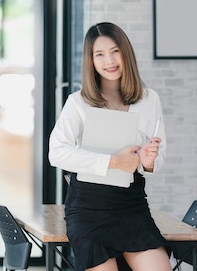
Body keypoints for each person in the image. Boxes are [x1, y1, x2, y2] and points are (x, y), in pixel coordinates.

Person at [48, 22, 170, 271]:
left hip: (131, 205)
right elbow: (56, 152)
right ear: (90, 61)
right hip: (88, 208)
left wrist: (148, 162)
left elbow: (156, 158)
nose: (109, 60)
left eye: (115, 51)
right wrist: (113, 162)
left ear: (126, 53)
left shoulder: (150, 99)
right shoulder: (78, 102)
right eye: (99, 54)